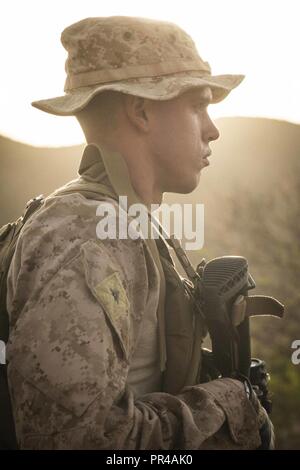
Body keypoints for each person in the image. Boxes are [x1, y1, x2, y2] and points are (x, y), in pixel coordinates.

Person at [6, 16, 272, 450]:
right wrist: (224, 404)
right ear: (142, 111)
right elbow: (73, 442)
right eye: (198, 105)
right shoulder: (83, 238)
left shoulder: (128, 223)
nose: (213, 129)